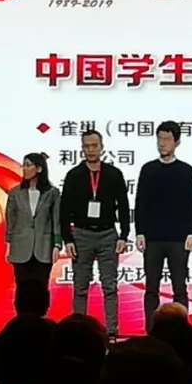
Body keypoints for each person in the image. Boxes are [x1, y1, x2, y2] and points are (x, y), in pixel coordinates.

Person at [60, 129, 130, 339]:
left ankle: (111, 331)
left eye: (94, 146)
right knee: (80, 287)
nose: (91, 150)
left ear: (102, 147)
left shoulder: (114, 174)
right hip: (81, 234)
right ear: (82, 148)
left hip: (108, 234)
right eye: (86, 146)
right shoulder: (74, 175)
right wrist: (67, 239)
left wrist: (124, 235)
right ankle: (78, 332)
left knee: (110, 286)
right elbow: (64, 210)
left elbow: (123, 206)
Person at [135, 120, 192, 333]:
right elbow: (140, 203)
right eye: (159, 139)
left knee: (179, 288)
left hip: (178, 238)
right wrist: (140, 232)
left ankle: (182, 331)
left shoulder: (185, 170)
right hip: (152, 238)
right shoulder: (148, 169)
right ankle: (151, 330)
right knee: (151, 288)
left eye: (167, 139)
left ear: (177, 142)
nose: (162, 143)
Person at [4, 153, 62, 310]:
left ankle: (40, 316)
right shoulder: (15, 193)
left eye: (28, 165)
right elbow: (10, 220)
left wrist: (57, 245)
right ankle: (22, 317)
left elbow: (56, 220)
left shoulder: (52, 193)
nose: (24, 168)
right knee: (22, 287)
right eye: (24, 165)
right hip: (20, 246)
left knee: (41, 286)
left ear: (39, 168)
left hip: (43, 247)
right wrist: (8, 244)